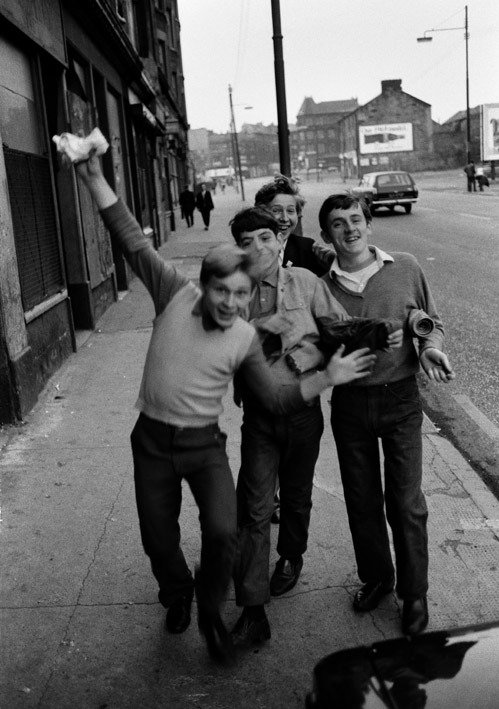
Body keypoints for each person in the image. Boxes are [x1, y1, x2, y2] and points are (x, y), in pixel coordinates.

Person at [66, 143, 373, 665]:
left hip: (262, 428)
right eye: (223, 287)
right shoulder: (187, 298)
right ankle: (220, 601)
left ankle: (257, 580)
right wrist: (94, 177)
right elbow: (133, 240)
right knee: (223, 519)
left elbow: (326, 342)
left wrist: (326, 367)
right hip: (204, 430)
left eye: (264, 240)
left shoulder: (287, 300)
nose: (231, 300)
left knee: (267, 512)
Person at [229, 206, 377, 648]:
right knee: (253, 509)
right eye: (246, 242)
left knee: (296, 496)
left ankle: (291, 555)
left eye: (265, 238)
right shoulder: (231, 294)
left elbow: (339, 330)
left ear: (280, 240)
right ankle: (252, 611)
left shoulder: (307, 283)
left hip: (303, 414)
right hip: (258, 419)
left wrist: (324, 349)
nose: (258, 248)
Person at [318, 192, 455, 637]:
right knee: (362, 500)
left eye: (355, 219)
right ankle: (378, 577)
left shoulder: (406, 267)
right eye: (338, 223)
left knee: (406, 502)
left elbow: (430, 321)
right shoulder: (321, 288)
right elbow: (317, 347)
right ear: (327, 235)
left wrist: (429, 348)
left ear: (369, 224)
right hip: (350, 404)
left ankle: (414, 594)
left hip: (400, 400)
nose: (350, 229)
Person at [254, 174, 333, 524]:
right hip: (262, 369)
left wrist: (332, 259)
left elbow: (331, 301)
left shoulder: (308, 250)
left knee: (297, 444)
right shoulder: (251, 249)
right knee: (263, 443)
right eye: (277, 210)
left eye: (291, 211)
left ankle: (287, 500)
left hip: (300, 371)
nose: (285, 218)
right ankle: (265, 498)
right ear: (262, 212)